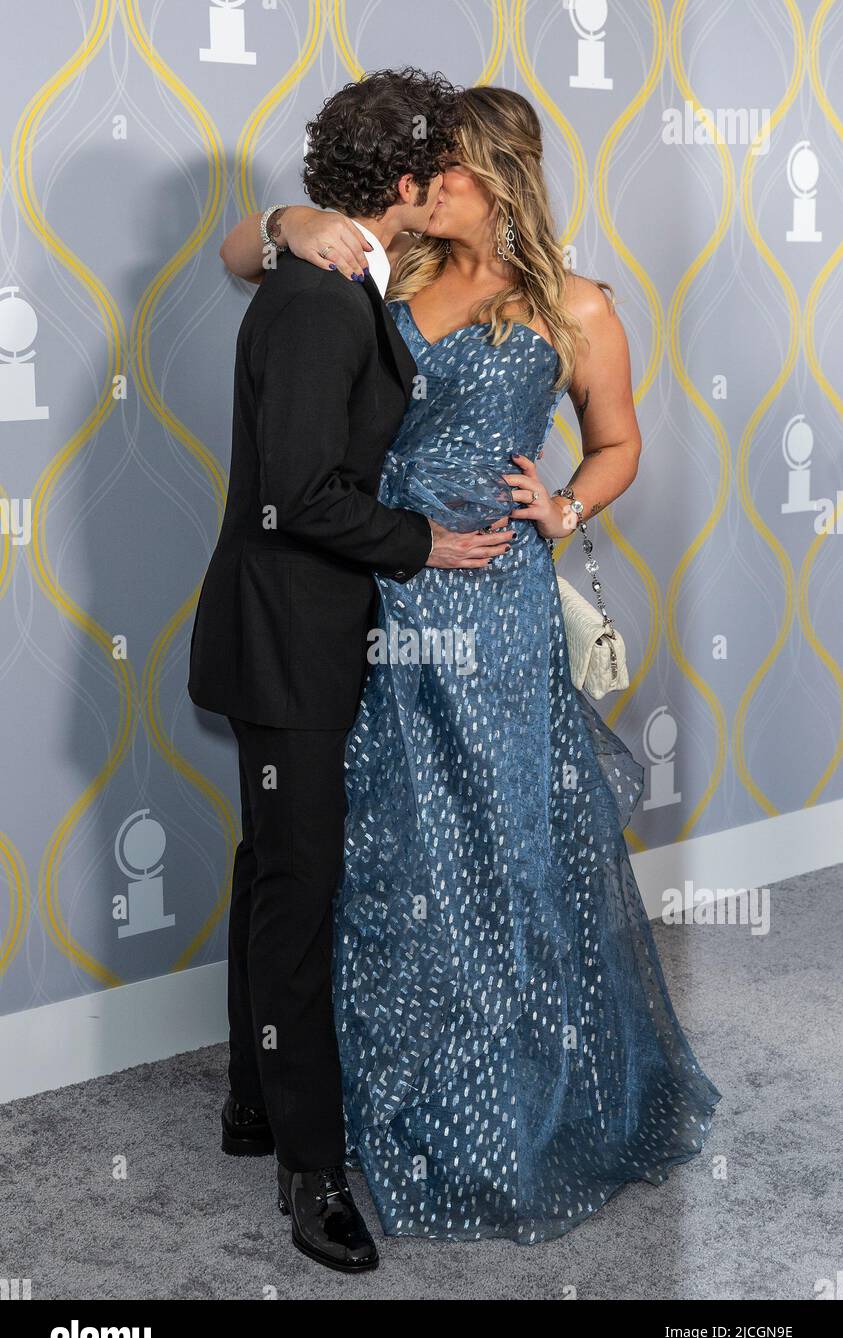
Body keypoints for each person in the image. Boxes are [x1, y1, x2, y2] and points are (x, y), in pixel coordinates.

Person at [220, 85, 721, 1246]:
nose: (416, 184)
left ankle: (506, 1095)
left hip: (489, 607)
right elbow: (248, 253)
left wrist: (563, 506)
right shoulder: (376, 267)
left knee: (500, 847)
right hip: (367, 592)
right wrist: (290, 224)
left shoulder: (576, 304)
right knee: (378, 851)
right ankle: (360, 1098)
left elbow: (620, 437)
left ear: (490, 177)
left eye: (439, 169)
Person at [188, 69, 516, 1275]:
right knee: (300, 895)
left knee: (272, 869)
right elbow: (296, 496)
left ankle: (251, 1101)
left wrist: (277, 220)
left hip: (293, 635)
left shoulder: (325, 269)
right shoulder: (322, 299)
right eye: (444, 170)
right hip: (288, 645)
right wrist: (425, 540)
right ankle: (311, 1173)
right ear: (408, 188)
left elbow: (252, 253)